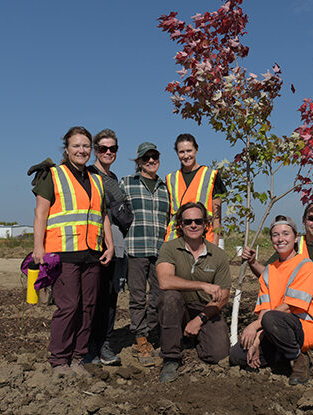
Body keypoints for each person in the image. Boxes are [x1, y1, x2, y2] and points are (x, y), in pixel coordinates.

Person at [31, 126, 114, 378]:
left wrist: (109, 244)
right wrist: (38, 248)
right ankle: (59, 361)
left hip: (91, 253)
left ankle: (78, 358)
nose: (82, 150)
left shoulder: (98, 179)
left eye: (86, 146)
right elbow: (40, 214)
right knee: (69, 307)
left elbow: (103, 215)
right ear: (66, 149)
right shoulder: (52, 175)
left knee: (88, 307)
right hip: (62, 252)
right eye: (76, 145)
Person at [241, 202, 313, 351]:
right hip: (294, 310)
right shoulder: (291, 243)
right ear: (304, 220)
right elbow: (270, 274)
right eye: (312, 218)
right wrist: (252, 262)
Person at [230, 215, 313, 385]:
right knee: (237, 355)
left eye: (286, 234)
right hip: (273, 327)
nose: (280, 239)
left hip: (303, 329)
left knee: (271, 319)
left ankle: (298, 360)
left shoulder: (305, 266)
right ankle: (282, 355)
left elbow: (289, 308)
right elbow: (265, 310)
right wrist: (257, 341)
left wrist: (255, 327)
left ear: (296, 238)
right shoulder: (269, 271)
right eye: (275, 235)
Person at [155, 202, 231, 382]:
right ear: (180, 225)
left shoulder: (218, 255)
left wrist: (200, 320)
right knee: (170, 298)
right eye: (188, 222)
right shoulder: (169, 248)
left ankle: (192, 338)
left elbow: (223, 297)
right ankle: (171, 357)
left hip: (206, 309)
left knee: (218, 355)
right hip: (178, 307)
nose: (193, 225)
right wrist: (202, 285)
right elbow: (165, 281)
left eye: (198, 221)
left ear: (206, 224)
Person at [85, 128, 133, 366]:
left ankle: (104, 344)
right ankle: (88, 347)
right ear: (95, 150)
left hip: (115, 246)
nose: (108, 152)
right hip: (93, 246)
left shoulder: (113, 179)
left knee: (110, 297)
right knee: (92, 298)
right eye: (103, 148)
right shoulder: (88, 174)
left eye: (112, 149)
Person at [120, 142, 171, 367]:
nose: (151, 160)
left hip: (160, 250)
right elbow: (114, 211)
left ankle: (148, 332)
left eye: (154, 156)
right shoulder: (127, 183)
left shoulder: (165, 186)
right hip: (136, 249)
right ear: (139, 161)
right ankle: (141, 339)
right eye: (146, 157)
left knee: (159, 296)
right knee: (138, 297)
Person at [165, 134, 226, 245]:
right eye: (182, 152)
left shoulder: (211, 175)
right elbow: (170, 214)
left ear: (196, 150)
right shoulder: (170, 178)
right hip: (176, 239)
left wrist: (215, 242)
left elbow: (217, 216)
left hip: (204, 237)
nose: (186, 155)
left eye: (189, 151)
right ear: (177, 153)